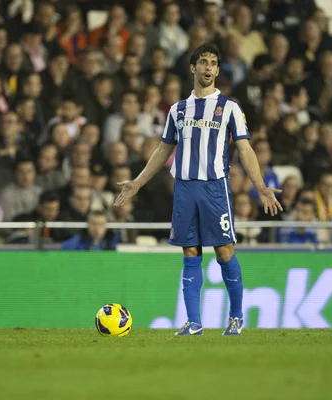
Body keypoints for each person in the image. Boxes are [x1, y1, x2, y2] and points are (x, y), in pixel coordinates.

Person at [114, 43, 282, 336]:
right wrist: (138, 182)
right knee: (189, 252)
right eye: (203, 62)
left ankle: (236, 317)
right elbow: (164, 149)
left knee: (224, 251)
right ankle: (194, 322)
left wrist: (260, 186)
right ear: (193, 68)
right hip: (184, 190)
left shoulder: (229, 107)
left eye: (213, 63)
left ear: (217, 70)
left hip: (214, 188)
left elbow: (244, 148)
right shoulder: (178, 110)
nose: (208, 67)